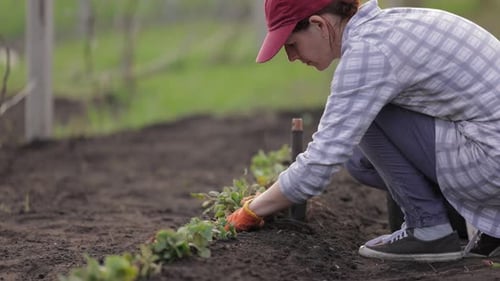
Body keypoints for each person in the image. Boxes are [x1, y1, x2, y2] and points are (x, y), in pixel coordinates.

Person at [226, 0, 500, 262]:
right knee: (359, 161)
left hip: (490, 160)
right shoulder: (390, 26)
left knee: (366, 116)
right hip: (489, 147)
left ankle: (428, 228)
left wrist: (253, 209)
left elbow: (320, 162)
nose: (292, 57)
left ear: (319, 24)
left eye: (291, 44)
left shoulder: (368, 54)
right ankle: (467, 225)